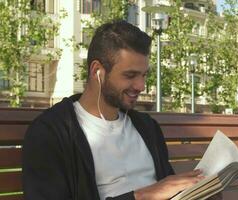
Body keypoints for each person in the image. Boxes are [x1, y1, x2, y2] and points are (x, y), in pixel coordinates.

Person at [22, 20, 205, 200]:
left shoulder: (147, 128)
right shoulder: (52, 133)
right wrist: (142, 196)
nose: (141, 86)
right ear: (97, 71)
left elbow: (171, 191)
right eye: (130, 75)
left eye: (143, 75)